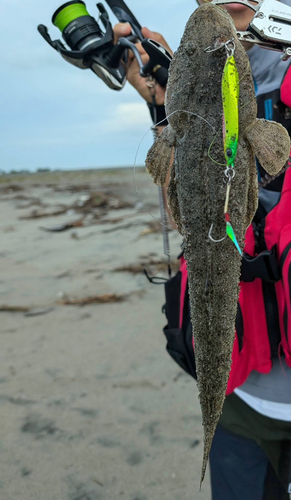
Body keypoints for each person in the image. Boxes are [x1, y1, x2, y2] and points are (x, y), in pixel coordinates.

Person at [113, 3, 291, 499]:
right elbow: (184, 212)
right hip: (242, 402)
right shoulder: (179, 77)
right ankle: (211, 423)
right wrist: (158, 103)